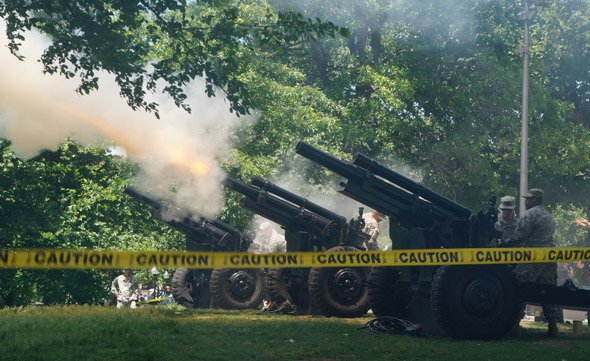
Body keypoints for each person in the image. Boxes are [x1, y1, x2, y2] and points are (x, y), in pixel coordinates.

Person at [507, 188, 560, 337]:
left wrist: (504, 243)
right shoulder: (549, 216)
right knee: (549, 291)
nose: (525, 201)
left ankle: (515, 324)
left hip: (532, 257)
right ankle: (553, 326)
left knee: (519, 287)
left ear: (535, 200)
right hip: (549, 257)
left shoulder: (529, 214)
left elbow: (520, 235)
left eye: (528, 199)